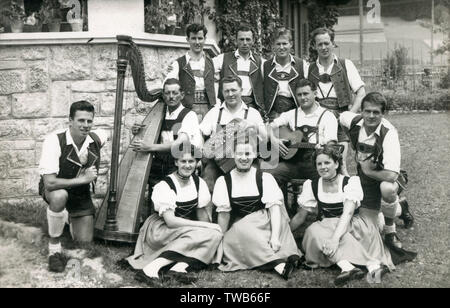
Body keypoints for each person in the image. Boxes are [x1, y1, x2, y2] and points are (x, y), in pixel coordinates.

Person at [290, 146, 394, 286]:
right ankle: (351, 267)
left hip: (353, 226)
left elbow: (347, 213)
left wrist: (334, 239)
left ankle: (369, 266)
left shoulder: (350, 183)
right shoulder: (312, 185)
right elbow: (300, 216)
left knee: (323, 228)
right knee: (313, 231)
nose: (323, 167)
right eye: (319, 164)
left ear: (337, 164)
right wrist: (283, 234)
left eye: (327, 163)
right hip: (328, 227)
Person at [124, 144, 223, 286]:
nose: (188, 166)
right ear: (176, 162)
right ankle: (151, 268)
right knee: (197, 234)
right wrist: (204, 225)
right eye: (183, 161)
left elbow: (201, 213)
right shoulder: (165, 186)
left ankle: (178, 268)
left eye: (191, 161)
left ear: (197, 163)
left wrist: (210, 229)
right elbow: (170, 221)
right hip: (161, 229)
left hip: (183, 227)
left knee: (215, 234)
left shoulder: (198, 183)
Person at [213, 139, 301, 280]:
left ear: (255, 154)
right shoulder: (223, 182)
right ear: (233, 155)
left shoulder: (265, 178)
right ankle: (279, 265)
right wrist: (219, 241)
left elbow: (274, 209)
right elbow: (224, 215)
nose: (243, 158)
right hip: (241, 225)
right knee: (236, 234)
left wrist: (275, 237)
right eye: (239, 154)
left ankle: (279, 256)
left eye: (248, 153)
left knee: (273, 228)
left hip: (264, 221)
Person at [38, 100, 108, 272]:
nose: (85, 125)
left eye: (89, 121)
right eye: (81, 120)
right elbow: (50, 182)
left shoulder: (95, 139)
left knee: (84, 243)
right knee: (60, 196)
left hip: (79, 194)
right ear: (70, 120)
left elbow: (106, 133)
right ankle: (54, 249)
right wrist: (84, 179)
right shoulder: (54, 141)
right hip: (56, 188)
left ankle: (67, 218)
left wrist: (136, 131)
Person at [339, 92, 415, 250]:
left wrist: (368, 171)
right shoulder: (352, 121)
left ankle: (390, 232)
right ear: (361, 111)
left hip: (388, 177)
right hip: (366, 180)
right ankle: (401, 209)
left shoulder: (389, 133)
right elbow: (339, 118)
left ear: (383, 113)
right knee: (369, 227)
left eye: (376, 112)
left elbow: (392, 175)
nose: (371, 116)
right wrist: (348, 139)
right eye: (367, 111)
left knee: (386, 189)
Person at [130, 78, 202, 216]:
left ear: (181, 95)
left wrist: (150, 147)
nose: (171, 96)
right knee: (155, 199)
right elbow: (149, 137)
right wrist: (137, 131)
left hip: (177, 163)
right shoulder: (160, 113)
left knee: (174, 200)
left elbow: (179, 144)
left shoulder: (189, 115)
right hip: (158, 162)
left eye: (174, 93)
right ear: (163, 95)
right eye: (167, 93)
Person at [265, 79, 338, 208]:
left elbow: (331, 144)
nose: (303, 97)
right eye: (299, 95)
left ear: (315, 93)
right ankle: (281, 211)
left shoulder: (327, 116)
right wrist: (274, 140)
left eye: (306, 93)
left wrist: (323, 149)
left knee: (327, 175)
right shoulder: (291, 114)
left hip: (316, 163)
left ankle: (325, 211)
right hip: (294, 162)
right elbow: (268, 126)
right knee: (270, 174)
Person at [306, 27, 366, 176]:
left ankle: (348, 196)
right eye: (319, 44)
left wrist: (349, 116)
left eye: (327, 43)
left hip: (340, 124)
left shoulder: (346, 65)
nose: (323, 47)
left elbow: (361, 92)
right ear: (314, 46)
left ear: (333, 43)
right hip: (317, 122)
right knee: (318, 166)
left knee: (340, 165)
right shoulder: (309, 68)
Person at [200, 75, 265, 193]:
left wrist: (253, 126)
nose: (230, 94)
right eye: (226, 91)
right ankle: (211, 210)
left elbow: (265, 139)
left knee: (255, 183)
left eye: (233, 90)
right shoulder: (215, 112)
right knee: (207, 183)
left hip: (246, 161)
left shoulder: (252, 113)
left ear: (241, 90)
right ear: (222, 92)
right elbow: (201, 135)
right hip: (218, 161)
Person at [166, 23, 216, 121]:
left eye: (200, 38)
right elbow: (168, 86)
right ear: (187, 39)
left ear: (205, 39)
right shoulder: (178, 64)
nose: (197, 42)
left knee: (209, 135)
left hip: (209, 110)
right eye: (193, 38)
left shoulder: (212, 63)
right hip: (187, 110)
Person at [213, 24, 265, 116]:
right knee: (228, 130)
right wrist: (216, 102)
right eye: (241, 39)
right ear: (236, 40)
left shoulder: (261, 63)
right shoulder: (223, 59)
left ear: (253, 41)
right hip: (228, 107)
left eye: (248, 39)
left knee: (250, 130)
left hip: (251, 108)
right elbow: (206, 70)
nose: (245, 43)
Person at [262, 28, 308, 121]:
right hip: (272, 115)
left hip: (295, 114)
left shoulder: (301, 65)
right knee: (273, 135)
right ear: (273, 46)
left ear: (291, 44)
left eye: (285, 43)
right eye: (278, 44)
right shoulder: (265, 66)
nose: (281, 47)